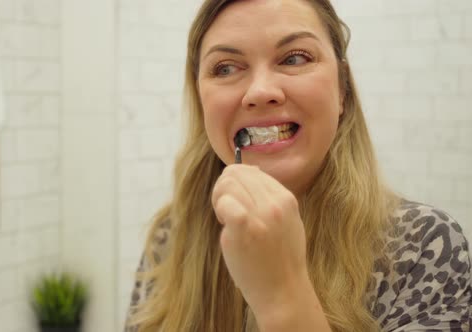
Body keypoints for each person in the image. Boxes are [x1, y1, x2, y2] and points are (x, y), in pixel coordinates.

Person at [124, 0, 472, 331]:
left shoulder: (426, 248)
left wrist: (282, 296)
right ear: (201, 101)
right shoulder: (168, 240)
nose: (260, 91)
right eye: (225, 67)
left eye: (294, 58)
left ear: (343, 90)